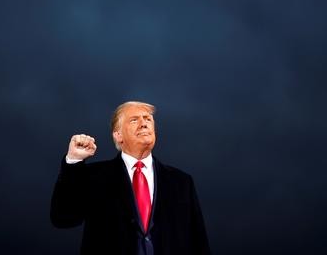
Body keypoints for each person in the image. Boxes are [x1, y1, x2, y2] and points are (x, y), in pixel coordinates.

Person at [50, 101, 211, 255]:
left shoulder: (181, 182)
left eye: (148, 119)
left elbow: (198, 242)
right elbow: (63, 218)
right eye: (134, 120)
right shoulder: (95, 177)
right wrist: (73, 161)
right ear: (118, 135)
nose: (144, 123)